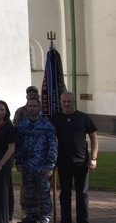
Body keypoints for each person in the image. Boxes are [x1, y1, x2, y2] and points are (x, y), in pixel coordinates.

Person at [51, 91, 98, 223]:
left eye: (69, 101)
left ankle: (82, 220)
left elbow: (94, 138)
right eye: (64, 101)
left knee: (82, 194)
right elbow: (49, 140)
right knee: (65, 194)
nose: (66, 104)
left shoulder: (83, 118)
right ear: (60, 102)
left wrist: (93, 158)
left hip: (81, 162)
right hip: (62, 162)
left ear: (74, 102)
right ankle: (66, 220)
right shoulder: (55, 119)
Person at [16, 98, 57, 223]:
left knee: (44, 193)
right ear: (27, 108)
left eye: (35, 106)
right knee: (29, 193)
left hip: (43, 166)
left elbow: (53, 146)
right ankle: (31, 216)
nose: (32, 108)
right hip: (27, 166)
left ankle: (45, 217)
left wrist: (50, 165)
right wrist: (18, 161)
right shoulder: (22, 125)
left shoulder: (47, 125)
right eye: (30, 106)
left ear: (39, 108)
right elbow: (18, 145)